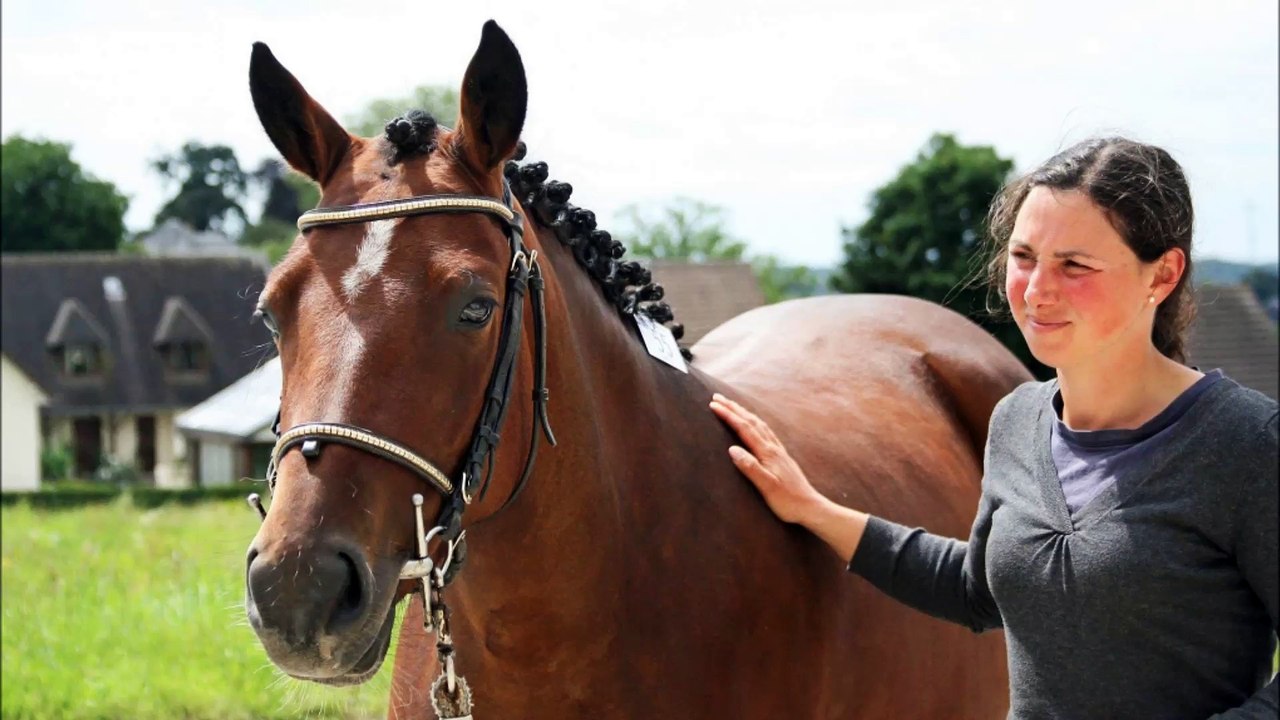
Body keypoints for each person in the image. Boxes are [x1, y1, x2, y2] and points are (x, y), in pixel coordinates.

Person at [710, 136, 1278, 719]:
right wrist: (813, 509)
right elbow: (977, 589)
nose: (1036, 290)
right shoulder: (1018, 421)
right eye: (1024, 256)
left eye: (1075, 265)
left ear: (1162, 276)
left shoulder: (1246, 442)